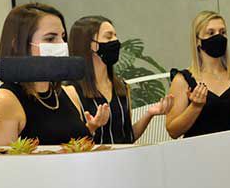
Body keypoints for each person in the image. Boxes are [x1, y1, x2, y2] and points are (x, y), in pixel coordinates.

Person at [0, 3, 109, 146]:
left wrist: (90, 129)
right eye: (50, 39)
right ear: (17, 45)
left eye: (63, 37)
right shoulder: (3, 102)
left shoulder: (67, 94)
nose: (61, 45)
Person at [66, 16, 174, 144]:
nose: (115, 41)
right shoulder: (72, 92)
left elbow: (128, 136)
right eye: (108, 37)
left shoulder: (121, 86)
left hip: (123, 156)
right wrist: (92, 127)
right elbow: (71, 145)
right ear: (90, 45)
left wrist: (149, 114)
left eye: (115, 36)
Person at [166, 11, 230, 138]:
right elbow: (173, 131)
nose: (219, 37)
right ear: (197, 41)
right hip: (197, 149)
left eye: (222, 32)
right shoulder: (183, 80)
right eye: (211, 33)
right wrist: (195, 107)